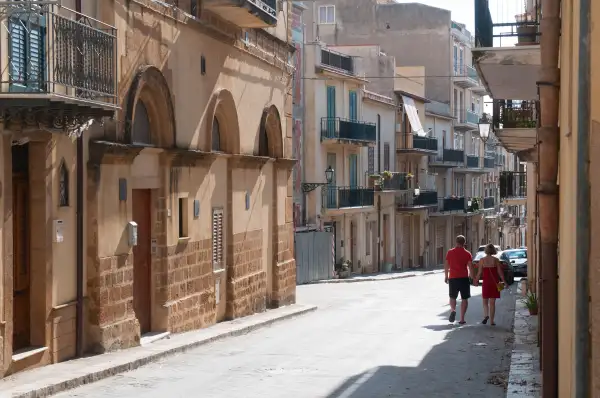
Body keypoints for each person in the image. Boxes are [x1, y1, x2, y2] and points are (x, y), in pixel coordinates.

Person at [474, 243, 507, 326]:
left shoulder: (482, 260)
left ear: (486, 251)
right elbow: (500, 272)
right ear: (493, 250)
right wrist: (505, 282)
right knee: (492, 303)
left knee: (485, 301)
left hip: (486, 282)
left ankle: (486, 315)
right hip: (495, 282)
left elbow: (479, 272)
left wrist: (476, 280)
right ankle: (492, 321)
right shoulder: (496, 260)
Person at [445, 235, 474, 324]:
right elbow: (470, 267)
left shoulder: (450, 252)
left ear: (456, 242)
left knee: (452, 297)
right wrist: (472, 277)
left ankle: (453, 310)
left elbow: (446, 266)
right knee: (464, 298)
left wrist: (446, 276)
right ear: (464, 243)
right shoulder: (467, 253)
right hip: (464, 278)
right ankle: (462, 319)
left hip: (453, 277)